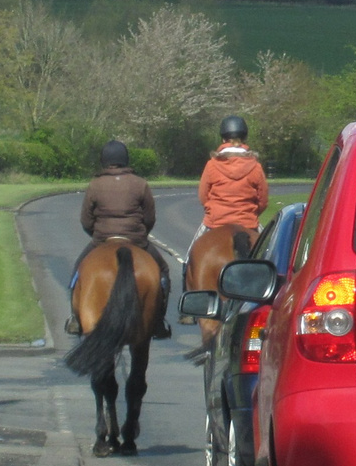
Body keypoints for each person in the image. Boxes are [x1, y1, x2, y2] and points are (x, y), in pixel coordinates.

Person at [65, 139, 172, 338]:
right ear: (125, 160)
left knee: (77, 272)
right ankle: (158, 321)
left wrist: (97, 236)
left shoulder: (95, 185)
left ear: (104, 161)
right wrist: (140, 235)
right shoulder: (140, 184)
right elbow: (149, 217)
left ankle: (75, 319)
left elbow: (86, 220)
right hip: (136, 240)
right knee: (163, 272)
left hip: (101, 240)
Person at [196, 115, 270, 237]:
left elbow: (203, 197)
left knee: (192, 253)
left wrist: (214, 212)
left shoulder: (211, 165)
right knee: (268, 252)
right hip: (248, 222)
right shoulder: (256, 167)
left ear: (223, 139)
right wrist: (250, 214)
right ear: (244, 138)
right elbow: (263, 201)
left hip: (215, 222)